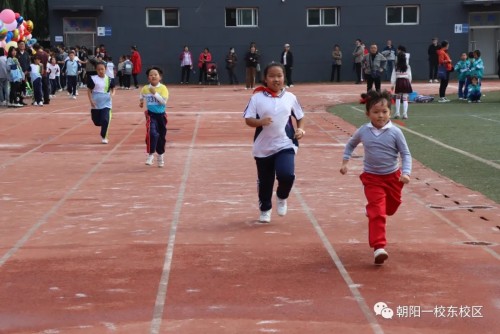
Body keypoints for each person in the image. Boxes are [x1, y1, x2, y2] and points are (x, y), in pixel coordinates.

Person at [340, 90, 411, 265]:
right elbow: (351, 144)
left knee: (391, 208)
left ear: (390, 112)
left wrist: (406, 172)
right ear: (368, 114)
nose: (380, 116)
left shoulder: (395, 132)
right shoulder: (364, 131)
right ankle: (379, 247)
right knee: (378, 213)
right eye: (376, 112)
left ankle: (373, 209)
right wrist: (345, 162)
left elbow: (406, 154)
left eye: (384, 112)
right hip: (372, 178)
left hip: (393, 177)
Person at [243, 63, 305, 223]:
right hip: (263, 147)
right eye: (272, 76)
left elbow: (300, 116)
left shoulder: (290, 98)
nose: (276, 79)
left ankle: (282, 196)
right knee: (265, 182)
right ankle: (265, 209)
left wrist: (301, 129)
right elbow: (248, 119)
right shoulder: (257, 97)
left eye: (279, 75)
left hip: (286, 144)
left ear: (284, 77)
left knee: (287, 174)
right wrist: (260, 122)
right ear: (265, 78)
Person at [140, 67, 169, 167]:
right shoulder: (145, 88)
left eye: (155, 74)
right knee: (151, 133)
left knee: (161, 136)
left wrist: (155, 93)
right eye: (151, 75)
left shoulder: (163, 88)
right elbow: (142, 94)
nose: (153, 76)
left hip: (161, 115)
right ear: (148, 78)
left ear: (160, 77)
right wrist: (141, 101)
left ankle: (160, 155)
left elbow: (163, 102)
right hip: (151, 115)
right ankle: (150, 154)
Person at [87, 61, 116, 144]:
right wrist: (91, 101)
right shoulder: (93, 79)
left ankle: (104, 136)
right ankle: (102, 125)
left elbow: (113, 88)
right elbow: (89, 90)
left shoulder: (109, 79)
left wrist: (112, 94)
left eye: (102, 69)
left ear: (105, 69)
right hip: (96, 103)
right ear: (96, 70)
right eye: (99, 69)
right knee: (96, 122)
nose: (101, 71)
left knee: (105, 119)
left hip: (106, 103)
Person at [390, 53, 412, 119]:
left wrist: (392, 84)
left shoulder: (396, 66)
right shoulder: (407, 66)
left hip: (399, 82)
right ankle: (405, 114)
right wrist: (409, 83)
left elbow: (393, 76)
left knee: (398, 98)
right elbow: (409, 76)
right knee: (405, 98)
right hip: (406, 81)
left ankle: (397, 113)